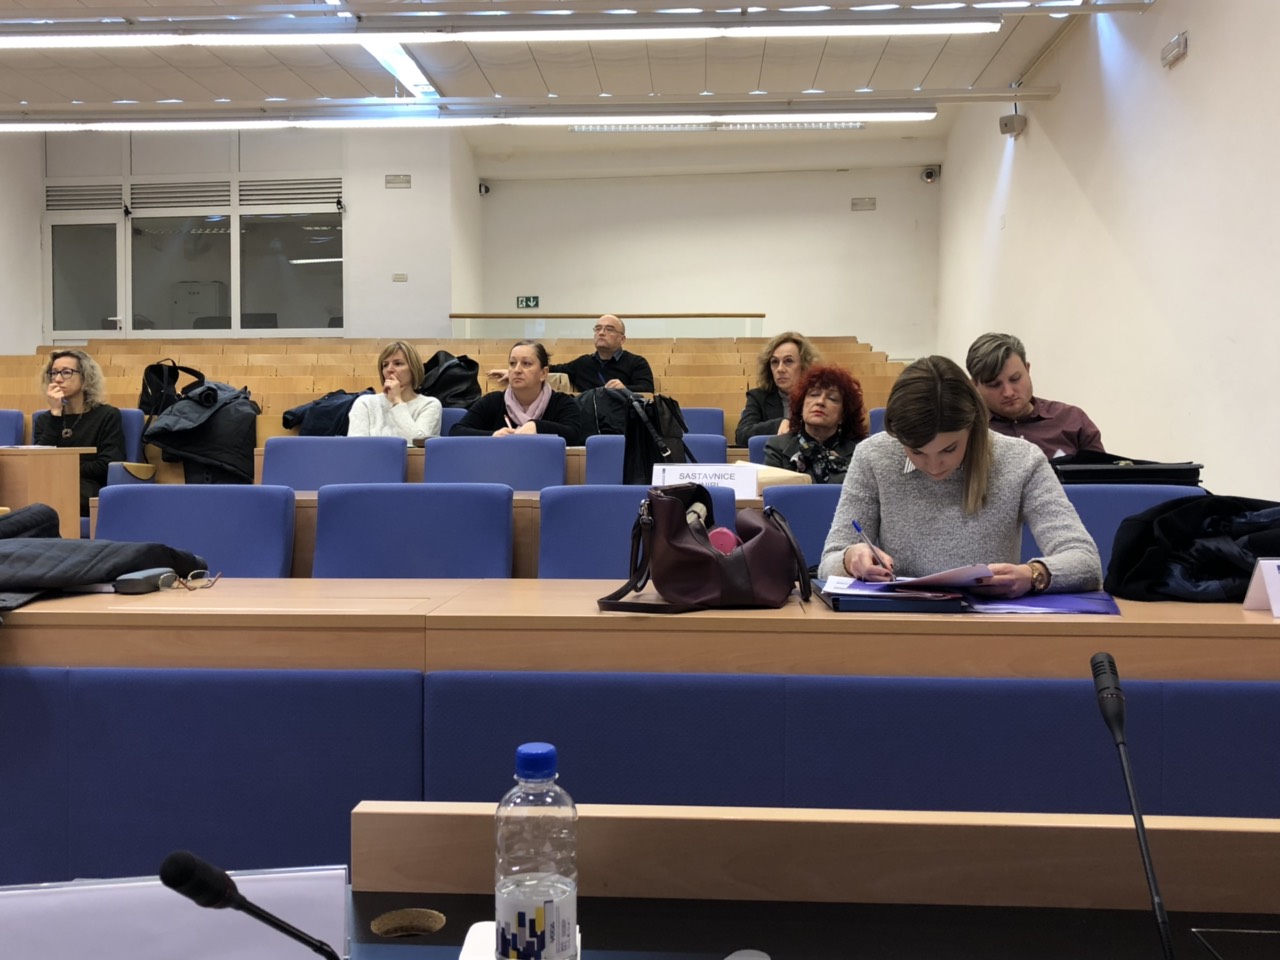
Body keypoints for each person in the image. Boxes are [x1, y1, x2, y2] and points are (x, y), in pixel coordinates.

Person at [817, 355, 1101, 597]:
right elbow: (829, 562)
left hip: (988, 626)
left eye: (949, 449)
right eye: (916, 452)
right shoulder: (873, 455)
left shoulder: (1021, 460)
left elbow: (1085, 560)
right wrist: (851, 559)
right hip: (900, 621)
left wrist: (1035, 574)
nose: (934, 466)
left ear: (972, 425)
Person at [964, 332, 1103, 459]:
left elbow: (1103, 475)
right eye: (994, 385)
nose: (1008, 393)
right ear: (974, 385)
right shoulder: (967, 430)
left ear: (1027, 369)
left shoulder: (1072, 419)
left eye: (1015, 379)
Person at [33, 349, 126, 517]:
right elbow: (39, 463)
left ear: (85, 378)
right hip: (50, 485)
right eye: (53, 373)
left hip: (87, 487)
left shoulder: (107, 415)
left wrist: (63, 468)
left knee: (52, 496)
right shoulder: (45, 420)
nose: (58, 379)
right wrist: (55, 414)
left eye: (66, 372)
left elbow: (107, 465)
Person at [453, 340, 584, 444]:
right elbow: (456, 431)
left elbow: (574, 435)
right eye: (512, 363)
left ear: (543, 373)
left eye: (526, 364)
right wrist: (492, 436)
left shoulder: (561, 402)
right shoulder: (493, 401)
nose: (517, 370)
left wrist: (537, 427)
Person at [489, 316, 654, 394]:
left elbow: (647, 389)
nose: (601, 333)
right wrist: (513, 371)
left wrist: (624, 388)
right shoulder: (583, 363)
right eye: (598, 329)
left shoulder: (636, 362)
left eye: (609, 329)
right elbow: (550, 369)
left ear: (622, 339)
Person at [763, 364, 867, 484]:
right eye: (814, 394)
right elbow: (774, 493)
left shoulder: (860, 451)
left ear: (843, 415)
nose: (820, 401)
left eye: (832, 398)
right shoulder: (777, 448)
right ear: (801, 406)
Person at [735, 331, 822, 446]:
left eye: (788, 361)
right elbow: (742, 435)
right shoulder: (758, 397)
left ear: (805, 365)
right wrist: (779, 424)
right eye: (775, 362)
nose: (780, 369)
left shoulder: (820, 396)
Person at [347, 341, 441, 443]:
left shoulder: (430, 405)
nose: (389, 369)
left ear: (413, 369)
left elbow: (416, 444)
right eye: (385, 365)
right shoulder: (365, 403)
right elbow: (356, 447)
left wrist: (397, 402)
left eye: (398, 363)